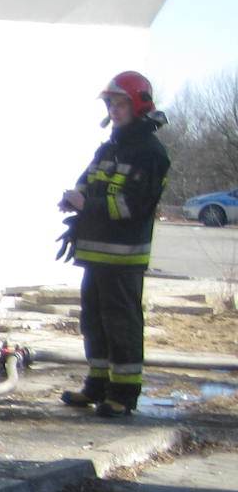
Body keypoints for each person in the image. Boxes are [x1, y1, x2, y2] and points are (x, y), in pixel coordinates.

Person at [56, 71, 171, 417]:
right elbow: (89, 181)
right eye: (111, 103)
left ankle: (124, 393)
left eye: (121, 103)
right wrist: (75, 202)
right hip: (95, 254)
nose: (115, 110)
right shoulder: (109, 147)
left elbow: (131, 206)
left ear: (138, 105)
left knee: (122, 324)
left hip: (123, 258)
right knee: (94, 321)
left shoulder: (150, 153)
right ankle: (97, 384)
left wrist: (86, 205)